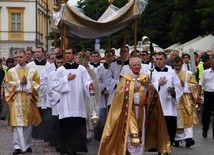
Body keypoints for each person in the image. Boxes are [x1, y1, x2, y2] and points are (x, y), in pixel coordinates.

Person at [99, 57, 171, 155]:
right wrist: (133, 88)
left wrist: (149, 88)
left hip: (141, 109)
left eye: (138, 65)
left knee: (141, 131)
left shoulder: (145, 77)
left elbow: (151, 91)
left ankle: (139, 153)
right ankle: (129, 152)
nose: (136, 67)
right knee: (129, 133)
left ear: (141, 66)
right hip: (128, 110)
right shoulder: (125, 78)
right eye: (134, 65)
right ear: (130, 67)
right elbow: (119, 94)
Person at [52, 48, 95, 155]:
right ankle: (66, 149)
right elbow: (54, 84)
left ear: (74, 55)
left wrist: (89, 85)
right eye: (65, 54)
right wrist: (66, 78)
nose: (67, 56)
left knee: (77, 127)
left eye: (69, 53)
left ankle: (76, 148)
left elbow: (87, 81)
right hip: (65, 104)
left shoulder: (81, 69)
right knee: (66, 127)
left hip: (78, 102)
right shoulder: (61, 69)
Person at [4, 49, 41, 154]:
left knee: (28, 124)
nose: (18, 59)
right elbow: (7, 85)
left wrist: (28, 84)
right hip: (16, 101)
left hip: (29, 101)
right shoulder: (11, 71)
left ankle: (27, 144)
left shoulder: (32, 71)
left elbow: (37, 84)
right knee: (17, 125)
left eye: (21, 57)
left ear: (25, 57)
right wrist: (20, 82)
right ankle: (17, 146)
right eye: (17, 57)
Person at [151, 52, 183, 148]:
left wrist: (173, 92)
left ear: (165, 60)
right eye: (157, 59)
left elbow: (178, 87)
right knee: (158, 133)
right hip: (156, 107)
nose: (158, 61)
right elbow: (147, 89)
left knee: (170, 133)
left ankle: (167, 149)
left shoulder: (171, 71)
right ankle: (160, 149)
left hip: (169, 108)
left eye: (161, 59)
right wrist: (158, 84)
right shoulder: (151, 72)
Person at [173, 56, 199, 147]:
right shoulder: (171, 73)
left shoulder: (188, 74)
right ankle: (176, 139)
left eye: (179, 65)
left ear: (182, 64)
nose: (177, 67)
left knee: (188, 117)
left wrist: (185, 85)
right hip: (175, 99)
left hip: (186, 99)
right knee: (176, 119)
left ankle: (188, 138)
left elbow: (195, 86)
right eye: (175, 65)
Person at [106, 45, 129, 109]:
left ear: (128, 53)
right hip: (115, 92)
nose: (123, 53)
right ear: (119, 53)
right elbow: (108, 78)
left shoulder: (131, 66)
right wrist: (118, 82)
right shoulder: (113, 65)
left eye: (125, 51)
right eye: (122, 51)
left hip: (127, 93)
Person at [200, 57, 214, 139]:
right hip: (208, 94)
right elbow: (201, 84)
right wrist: (199, 95)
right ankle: (205, 129)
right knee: (206, 114)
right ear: (210, 64)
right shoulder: (205, 72)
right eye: (212, 63)